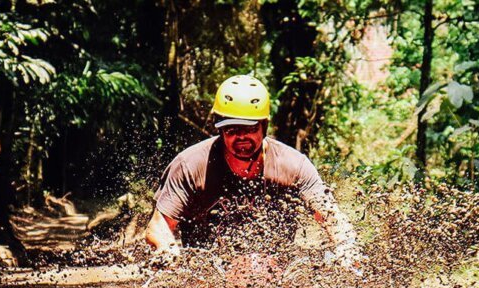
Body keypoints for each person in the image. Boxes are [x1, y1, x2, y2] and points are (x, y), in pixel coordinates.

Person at [144, 74, 362, 271]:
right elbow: (159, 225)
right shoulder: (190, 166)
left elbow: (330, 215)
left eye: (249, 129)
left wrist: (347, 247)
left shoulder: (294, 166)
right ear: (219, 129)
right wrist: (167, 250)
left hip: (275, 271)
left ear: (264, 126)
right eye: (232, 130)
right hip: (210, 272)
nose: (241, 138)